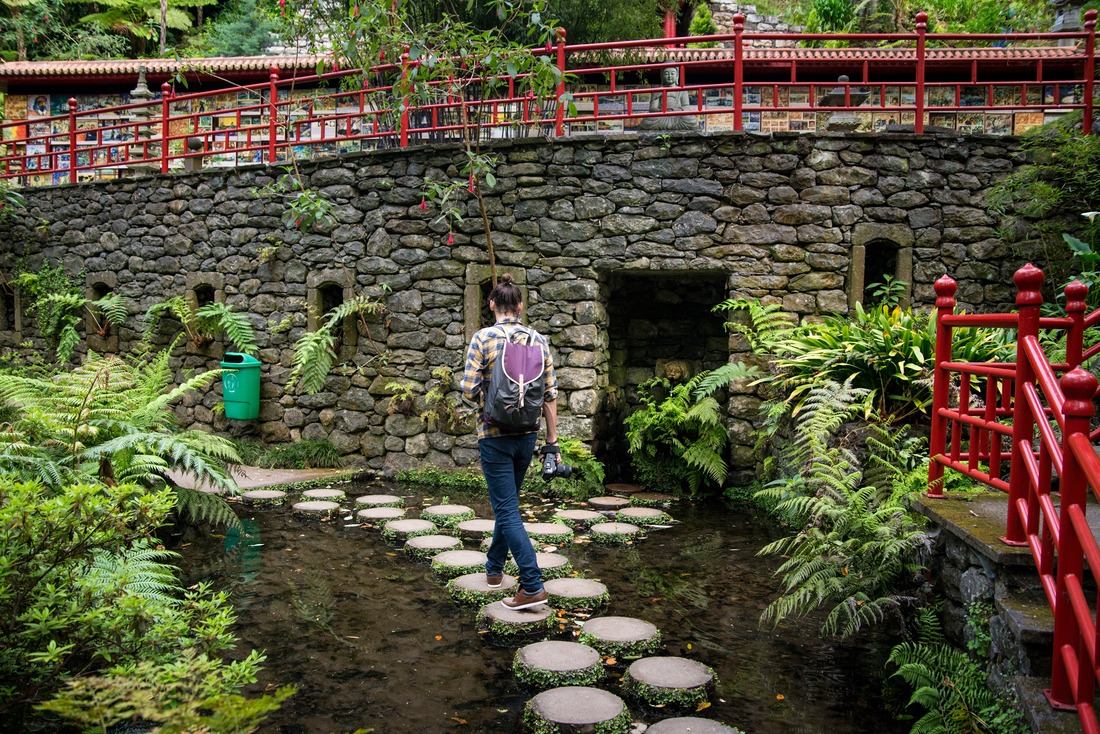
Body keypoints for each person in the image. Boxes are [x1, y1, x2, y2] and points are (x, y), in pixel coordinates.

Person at [460, 274, 559, 610]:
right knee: (509, 504)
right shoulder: (539, 340)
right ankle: (494, 569)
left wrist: (489, 405)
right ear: (520, 306)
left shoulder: (483, 338)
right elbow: (549, 395)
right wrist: (552, 441)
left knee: (506, 509)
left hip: (494, 436)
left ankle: (532, 585)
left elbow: (468, 388)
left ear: (492, 306)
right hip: (527, 436)